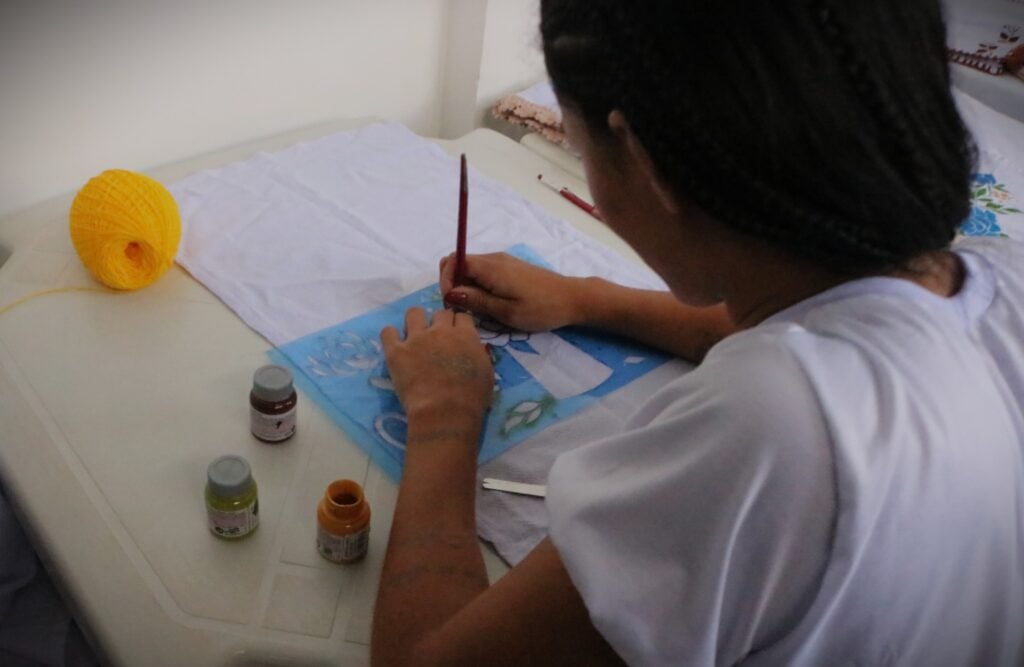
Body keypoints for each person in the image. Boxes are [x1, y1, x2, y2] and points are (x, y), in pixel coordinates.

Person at [370, 1, 1024, 665]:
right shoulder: (997, 278)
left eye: (580, 142)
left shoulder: (772, 426)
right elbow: (812, 322)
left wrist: (445, 414)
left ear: (643, 156)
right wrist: (586, 298)